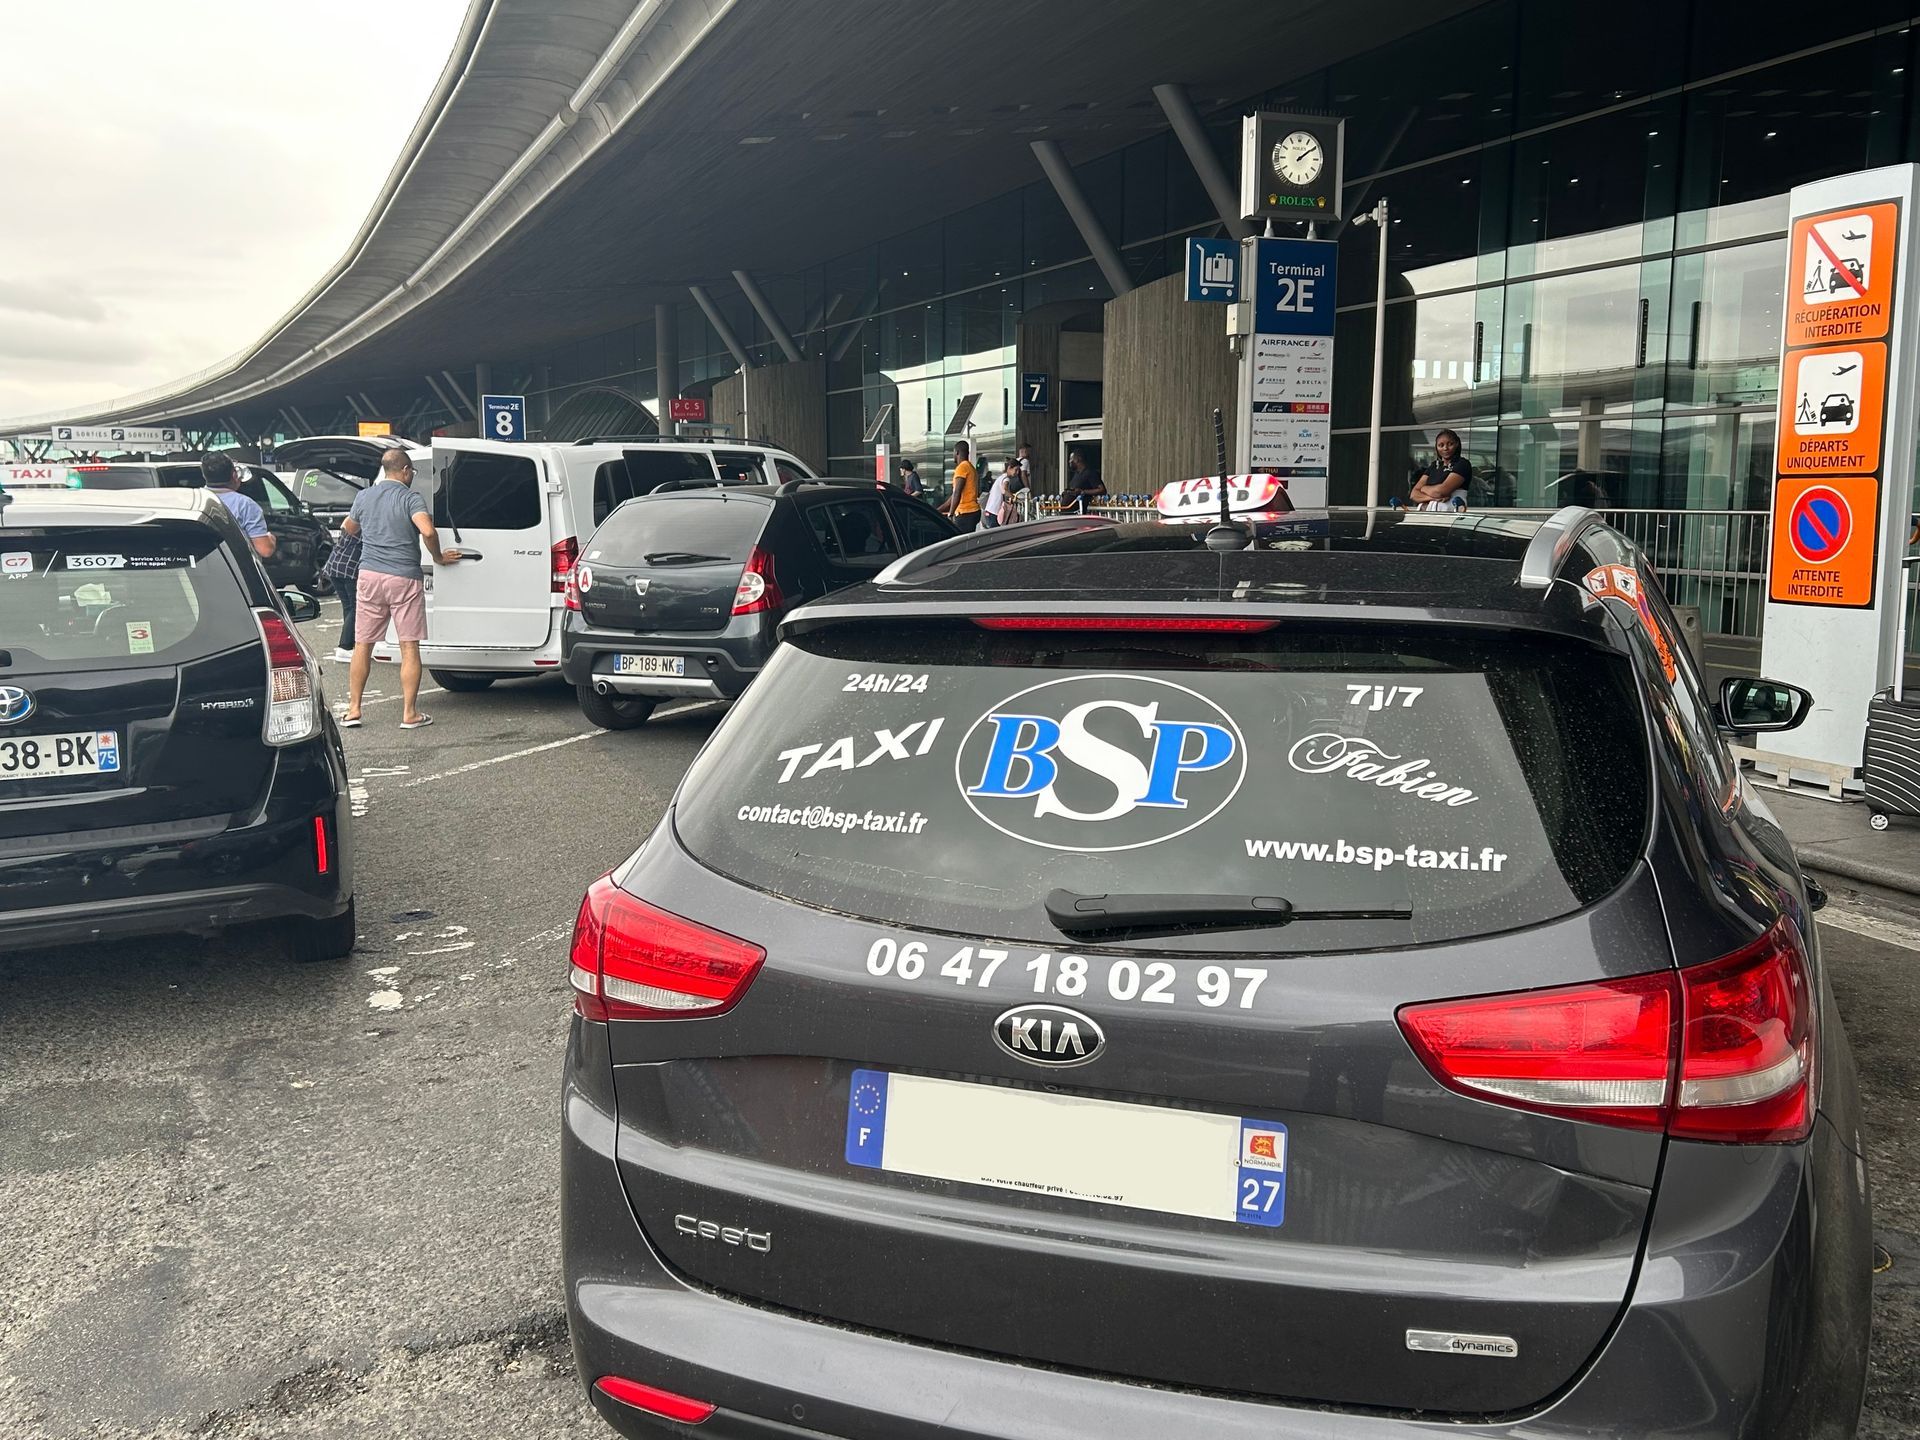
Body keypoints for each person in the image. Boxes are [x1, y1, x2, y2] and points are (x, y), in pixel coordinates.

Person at [338, 447, 462, 731]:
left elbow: (349, 528)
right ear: (405, 470)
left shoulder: (364, 496)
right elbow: (428, 531)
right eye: (412, 473)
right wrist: (438, 557)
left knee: (363, 645)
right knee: (409, 646)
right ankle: (409, 713)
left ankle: (354, 709)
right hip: (403, 577)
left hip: (369, 576)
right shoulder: (410, 498)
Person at [200, 455, 276, 560]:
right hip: (237, 572)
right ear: (234, 475)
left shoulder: (193, 500)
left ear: (204, 475)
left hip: (198, 570)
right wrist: (271, 538)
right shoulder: (245, 505)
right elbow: (265, 550)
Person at [320, 526, 362, 662]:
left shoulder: (353, 519)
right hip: (350, 568)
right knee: (356, 609)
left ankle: (350, 644)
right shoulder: (367, 522)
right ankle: (345, 646)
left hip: (334, 566)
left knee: (349, 607)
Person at [1408, 429, 1472, 509]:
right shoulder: (1434, 465)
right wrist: (1433, 498)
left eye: (1450, 444)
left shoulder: (1462, 464)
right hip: (1429, 514)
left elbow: (1441, 492)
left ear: (1457, 444)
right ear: (1436, 447)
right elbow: (1414, 494)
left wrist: (1424, 488)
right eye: (1441, 445)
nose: (1445, 448)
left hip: (1450, 512)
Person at [938, 440, 982, 533]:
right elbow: (955, 495)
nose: (953, 455)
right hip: (973, 511)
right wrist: (939, 510)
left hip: (965, 513)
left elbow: (957, 492)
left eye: (953, 452)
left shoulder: (961, 468)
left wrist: (951, 514)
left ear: (957, 452)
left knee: (960, 543)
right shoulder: (971, 468)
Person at [1060, 447, 1106, 514]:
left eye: (1071, 459)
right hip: (1067, 512)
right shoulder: (1076, 474)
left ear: (1078, 459)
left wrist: (1083, 492)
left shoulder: (1090, 473)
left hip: (1078, 512)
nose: (1069, 461)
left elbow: (1102, 490)